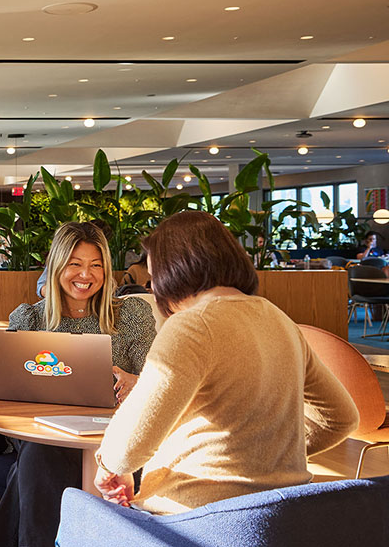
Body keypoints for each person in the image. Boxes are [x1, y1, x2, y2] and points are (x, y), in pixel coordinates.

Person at [0, 221, 156, 547]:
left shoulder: (132, 315)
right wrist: (3, 381)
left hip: (109, 439)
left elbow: (158, 379)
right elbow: (4, 385)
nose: (85, 275)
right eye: (74, 263)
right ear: (55, 265)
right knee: (43, 447)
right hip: (38, 431)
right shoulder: (28, 317)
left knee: (36, 461)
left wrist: (134, 379)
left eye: (96, 265)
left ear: (107, 271)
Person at [93, 211, 358, 514]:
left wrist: (109, 467)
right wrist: (266, 457)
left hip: (195, 519)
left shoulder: (191, 326)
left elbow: (129, 445)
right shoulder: (279, 319)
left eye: (155, 278)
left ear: (174, 271)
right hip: (282, 518)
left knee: (74, 524)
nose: (154, 289)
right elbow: (341, 417)